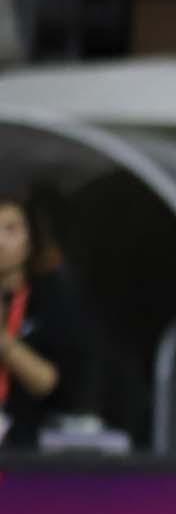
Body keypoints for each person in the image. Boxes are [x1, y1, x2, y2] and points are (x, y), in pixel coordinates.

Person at [0, 190, 92, 451]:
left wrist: (5, 344)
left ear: (29, 242)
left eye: (10, 230)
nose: (0, 241)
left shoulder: (50, 301)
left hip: (26, 447)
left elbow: (47, 381)